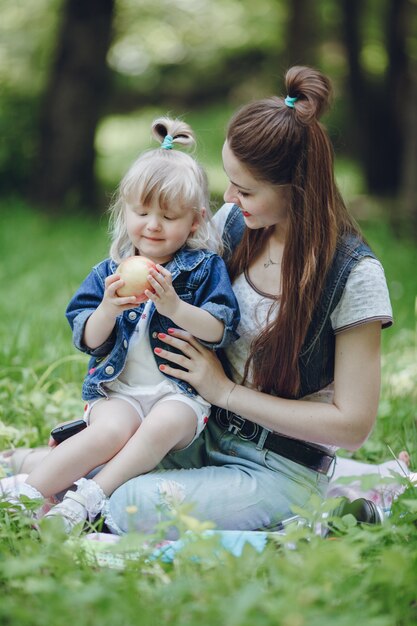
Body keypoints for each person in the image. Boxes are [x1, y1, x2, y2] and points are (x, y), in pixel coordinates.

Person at [102, 65, 395, 536]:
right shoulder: (234, 226)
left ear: (297, 188)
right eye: (229, 181)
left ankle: (315, 526)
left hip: (278, 466)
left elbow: (353, 426)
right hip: (198, 426)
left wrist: (226, 392)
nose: (228, 196)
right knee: (92, 460)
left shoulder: (354, 275)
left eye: (245, 189)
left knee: (131, 505)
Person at [4, 117, 239, 532]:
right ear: (124, 209)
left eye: (168, 216)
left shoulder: (204, 269)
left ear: (197, 220)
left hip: (179, 396)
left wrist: (176, 306)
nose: (152, 225)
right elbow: (89, 340)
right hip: (121, 390)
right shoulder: (110, 272)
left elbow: (221, 328)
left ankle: (86, 500)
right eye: (142, 212)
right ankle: (24, 496)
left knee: (164, 422)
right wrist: (108, 309)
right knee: (110, 429)